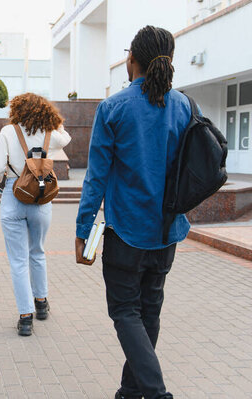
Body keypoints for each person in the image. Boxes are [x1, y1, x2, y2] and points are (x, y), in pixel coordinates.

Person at [75, 26, 192, 399]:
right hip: (166, 232)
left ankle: (156, 394)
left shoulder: (113, 109)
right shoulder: (184, 106)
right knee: (149, 312)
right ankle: (129, 391)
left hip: (126, 233)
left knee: (126, 312)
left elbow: (95, 179)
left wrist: (82, 231)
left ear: (132, 60)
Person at [0, 93, 71, 336]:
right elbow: (66, 138)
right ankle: (42, 303)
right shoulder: (50, 134)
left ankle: (26, 318)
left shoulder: (7, 132)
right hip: (42, 197)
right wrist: (54, 121)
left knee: (18, 260)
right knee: (37, 251)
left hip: (15, 195)